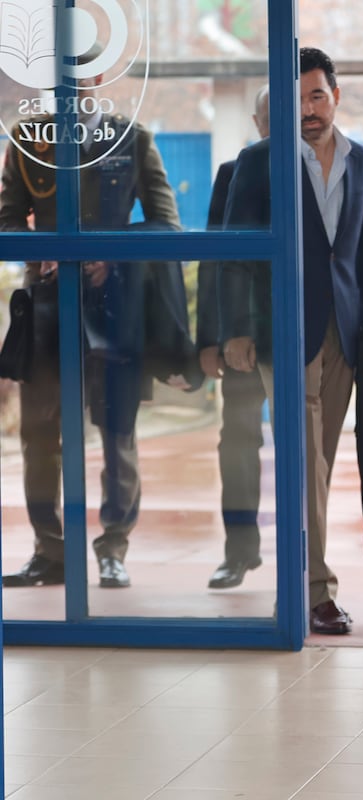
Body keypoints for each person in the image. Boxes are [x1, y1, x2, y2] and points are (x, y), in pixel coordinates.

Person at [220, 47, 363, 635]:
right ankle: (311, 591)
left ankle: (302, 582)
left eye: (317, 95)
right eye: (296, 100)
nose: (309, 110)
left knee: (320, 463)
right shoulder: (259, 161)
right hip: (282, 329)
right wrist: (236, 330)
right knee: (305, 461)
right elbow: (236, 254)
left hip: (345, 332)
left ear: (335, 96)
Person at [0, 50, 188, 590]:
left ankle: (113, 548)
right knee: (39, 435)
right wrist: (41, 249)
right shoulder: (26, 137)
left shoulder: (131, 137)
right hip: (47, 307)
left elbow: (165, 225)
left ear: (97, 80)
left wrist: (112, 252)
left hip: (114, 307)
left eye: (78, 80)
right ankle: (50, 550)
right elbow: (7, 221)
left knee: (116, 433)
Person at [197, 85, 270, 589]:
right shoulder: (234, 172)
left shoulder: (329, 166)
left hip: (308, 335)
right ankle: (239, 552)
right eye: (269, 116)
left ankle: (311, 567)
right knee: (238, 443)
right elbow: (215, 259)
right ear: (256, 119)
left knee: (309, 450)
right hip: (247, 337)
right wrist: (214, 338)